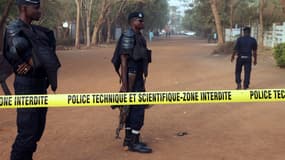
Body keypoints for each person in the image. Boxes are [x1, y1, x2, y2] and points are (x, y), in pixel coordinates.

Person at [3, 0, 61, 159]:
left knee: (37, 130)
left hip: (40, 84)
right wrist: (31, 61)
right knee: (27, 133)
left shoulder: (39, 31)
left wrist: (37, 61)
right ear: (24, 8)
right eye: (36, 8)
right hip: (26, 85)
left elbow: (44, 57)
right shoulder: (14, 29)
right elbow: (27, 58)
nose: (39, 11)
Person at [111, 11, 152, 153]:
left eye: (142, 20)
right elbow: (123, 60)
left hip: (137, 77)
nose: (142, 23)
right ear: (132, 22)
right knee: (138, 109)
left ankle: (129, 139)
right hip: (131, 77)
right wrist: (125, 84)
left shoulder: (138, 36)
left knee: (131, 108)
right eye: (139, 21)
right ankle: (134, 142)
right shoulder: (128, 35)